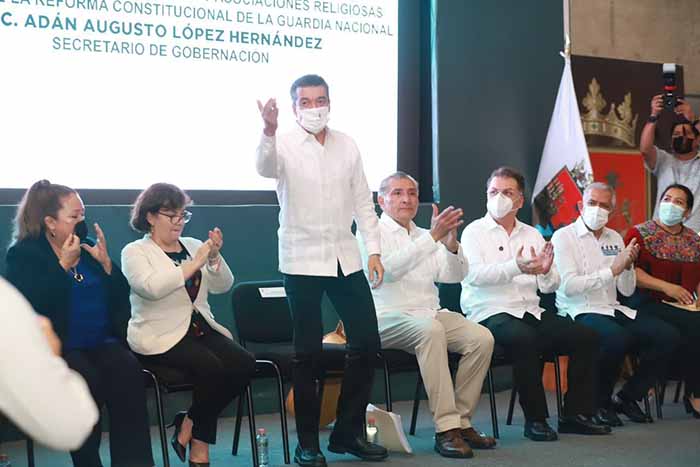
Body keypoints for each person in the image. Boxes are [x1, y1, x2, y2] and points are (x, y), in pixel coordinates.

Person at [256, 74, 387, 467]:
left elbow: (363, 200)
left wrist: (374, 250)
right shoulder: (281, 143)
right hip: (301, 260)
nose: (314, 108)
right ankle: (308, 443)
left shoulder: (347, 144)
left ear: (330, 102)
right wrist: (268, 130)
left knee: (367, 343)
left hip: (345, 257)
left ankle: (347, 433)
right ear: (294, 107)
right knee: (308, 353)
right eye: (306, 102)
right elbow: (264, 168)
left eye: (320, 100)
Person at [5, 180, 154, 467]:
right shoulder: (24, 255)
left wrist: (107, 266)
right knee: (86, 383)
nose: (82, 221)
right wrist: (62, 266)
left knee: (129, 373)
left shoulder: (86, 249)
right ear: (50, 222)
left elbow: (120, 296)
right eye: (74, 216)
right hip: (61, 347)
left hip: (102, 343)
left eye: (83, 214)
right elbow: (29, 305)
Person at [461, 167, 609, 441]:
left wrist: (546, 271)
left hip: (530, 310)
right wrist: (515, 267)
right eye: (494, 192)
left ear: (520, 200)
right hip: (489, 311)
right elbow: (474, 277)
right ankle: (536, 420)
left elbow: (549, 286)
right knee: (524, 338)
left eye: (507, 192)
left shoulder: (531, 233)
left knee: (586, 337)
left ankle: (575, 414)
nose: (499, 198)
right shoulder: (473, 232)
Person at [358, 172, 495, 459]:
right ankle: (446, 429)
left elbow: (453, 276)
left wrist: (450, 245)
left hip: (429, 313)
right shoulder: (371, 234)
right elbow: (387, 272)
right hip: (386, 317)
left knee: (481, 338)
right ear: (381, 201)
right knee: (430, 331)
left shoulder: (424, 234)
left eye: (411, 193)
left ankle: (461, 423)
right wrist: (433, 237)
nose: (406, 199)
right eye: (397, 193)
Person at [121, 183, 255, 467]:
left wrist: (214, 257)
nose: (179, 222)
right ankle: (200, 448)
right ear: (150, 216)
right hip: (158, 335)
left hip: (199, 328)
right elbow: (151, 288)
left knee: (244, 363)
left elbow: (223, 285)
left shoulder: (194, 245)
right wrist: (194, 264)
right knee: (211, 368)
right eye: (172, 216)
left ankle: (190, 421)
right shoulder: (135, 252)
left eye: (183, 215)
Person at [552, 182, 680, 425]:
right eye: (592, 203)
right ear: (580, 205)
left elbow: (626, 290)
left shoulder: (614, 238)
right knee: (616, 337)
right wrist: (612, 270)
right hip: (578, 309)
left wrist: (628, 267)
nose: (597, 209)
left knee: (667, 336)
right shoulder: (564, 237)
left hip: (613, 308)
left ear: (611, 211)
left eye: (604, 205)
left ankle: (627, 397)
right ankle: (599, 402)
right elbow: (568, 286)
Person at [623, 183, 700, 418]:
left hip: (683, 307)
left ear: (687, 212)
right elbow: (631, 273)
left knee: (687, 326)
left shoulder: (694, 239)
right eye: (667, 199)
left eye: (678, 202)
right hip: (646, 302)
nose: (671, 205)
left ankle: (641, 390)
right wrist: (668, 287)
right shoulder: (640, 233)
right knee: (694, 325)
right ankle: (695, 393)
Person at [0, 276, 98, 451]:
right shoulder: (6, 301)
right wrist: (52, 356)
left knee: (123, 366)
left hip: (98, 341)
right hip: (64, 345)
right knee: (85, 371)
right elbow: (69, 428)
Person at [640, 94, 700, 231]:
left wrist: (693, 119)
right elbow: (645, 149)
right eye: (676, 134)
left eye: (687, 133)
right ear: (671, 142)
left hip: (695, 235)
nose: (681, 137)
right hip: (661, 233)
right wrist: (654, 115)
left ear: (697, 140)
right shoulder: (663, 159)